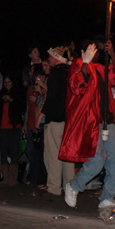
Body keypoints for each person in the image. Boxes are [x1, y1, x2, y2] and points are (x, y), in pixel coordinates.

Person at [61, 39, 115, 212]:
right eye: (93, 50)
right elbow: (77, 86)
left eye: (98, 51)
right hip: (91, 121)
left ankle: (107, 197)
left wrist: (112, 54)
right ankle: (74, 185)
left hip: (107, 118)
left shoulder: (100, 68)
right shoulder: (78, 65)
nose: (96, 53)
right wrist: (85, 62)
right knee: (97, 159)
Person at [41, 45, 75, 196]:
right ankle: (70, 187)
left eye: (50, 56)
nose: (48, 59)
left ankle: (54, 187)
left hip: (55, 119)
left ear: (55, 58)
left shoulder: (55, 74)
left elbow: (52, 98)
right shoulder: (69, 72)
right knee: (67, 156)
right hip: (67, 119)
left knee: (53, 154)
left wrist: (41, 115)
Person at [0, 75, 26, 186]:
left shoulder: (18, 93)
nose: (7, 84)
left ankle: (13, 179)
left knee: (13, 151)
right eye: (5, 82)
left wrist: (12, 100)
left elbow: (22, 109)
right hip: (3, 127)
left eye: (9, 82)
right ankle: (5, 178)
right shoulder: (0, 95)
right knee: (3, 152)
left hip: (14, 126)